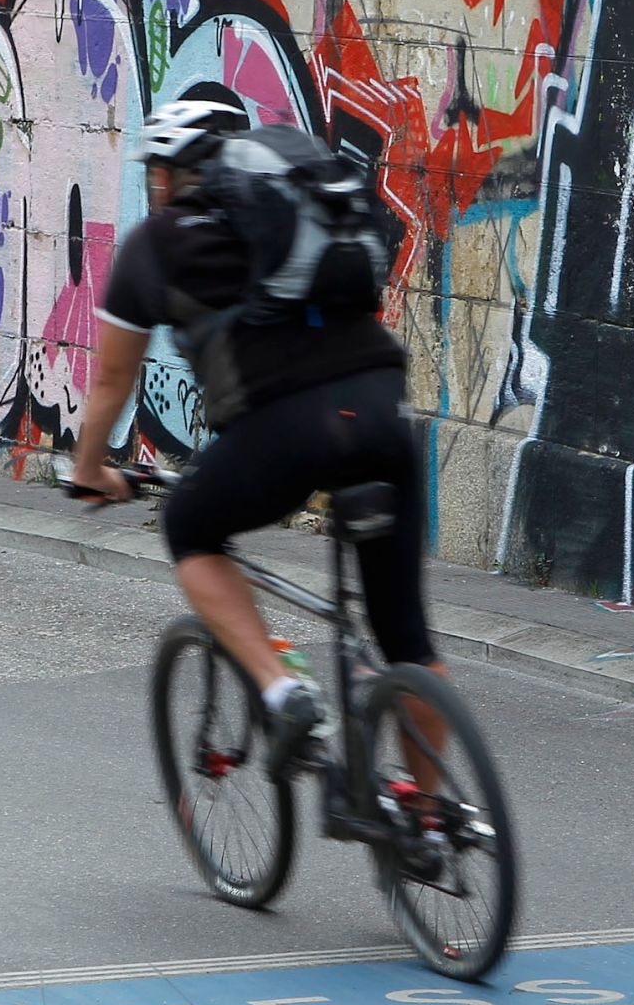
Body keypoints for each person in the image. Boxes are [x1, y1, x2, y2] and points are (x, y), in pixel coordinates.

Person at [71, 98, 441, 780]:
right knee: (408, 642)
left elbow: (111, 384)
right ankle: (433, 813)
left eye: (155, 170)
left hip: (287, 428)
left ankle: (281, 688)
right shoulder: (296, 215)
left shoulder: (157, 243)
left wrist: (91, 468)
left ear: (166, 173)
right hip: (382, 404)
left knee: (189, 524)